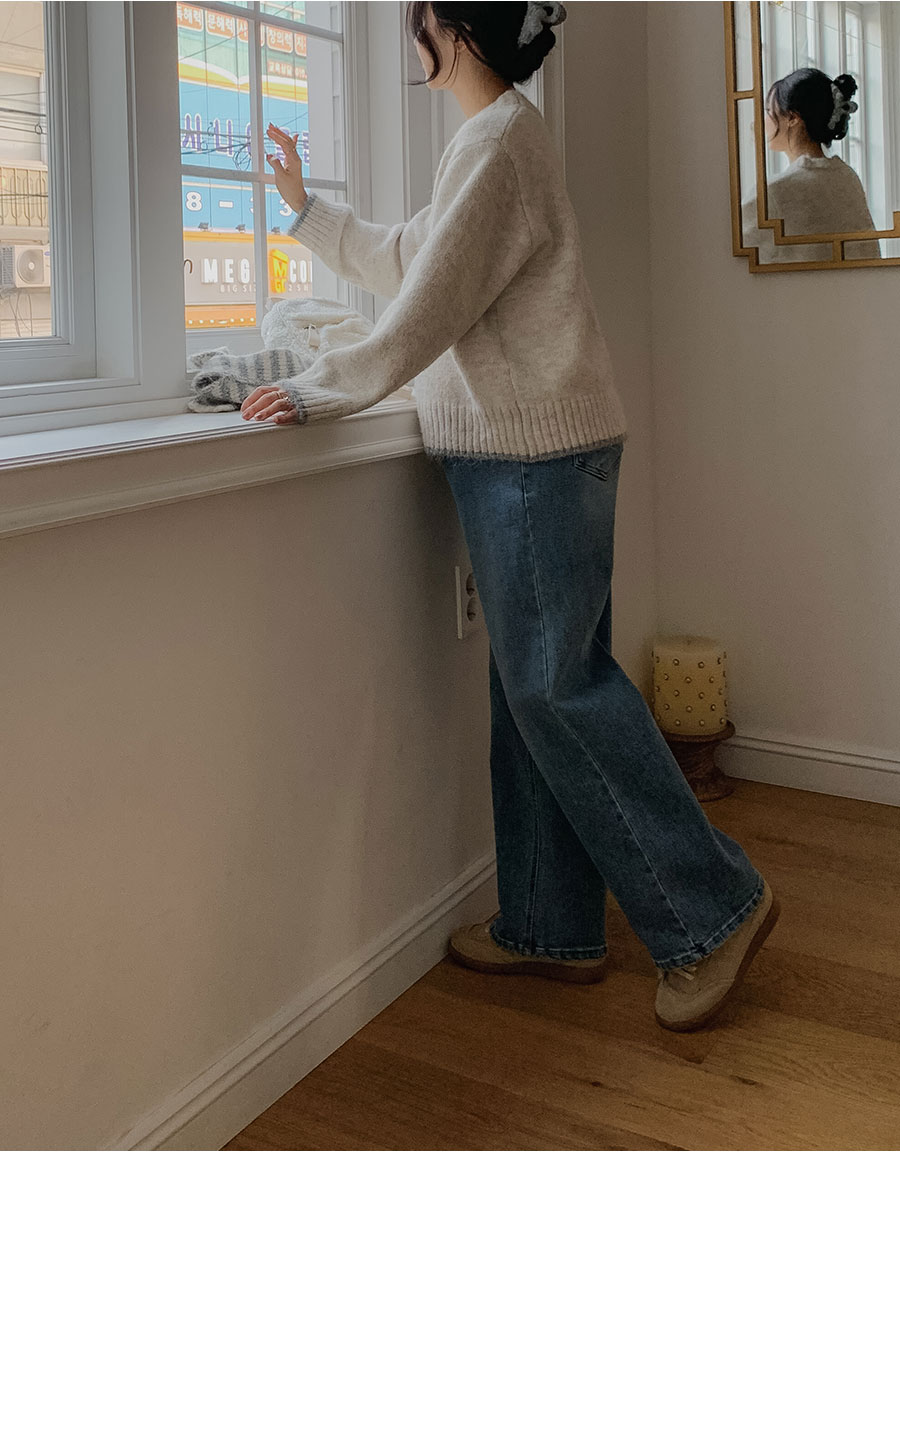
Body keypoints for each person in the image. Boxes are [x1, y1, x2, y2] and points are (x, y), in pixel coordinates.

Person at [244, 2, 780, 1033]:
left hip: (534, 460)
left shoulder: (499, 146)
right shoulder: (491, 142)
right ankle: (548, 923)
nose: (410, 33)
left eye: (418, 17)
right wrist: (308, 210)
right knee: (533, 692)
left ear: (453, 31)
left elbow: (425, 307)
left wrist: (320, 387)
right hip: (533, 456)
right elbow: (416, 258)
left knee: (555, 690)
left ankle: (715, 909)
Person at [742, 68, 881, 265]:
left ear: (793, 118)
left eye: (769, 112)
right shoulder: (847, 178)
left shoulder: (774, 192)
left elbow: (733, 258)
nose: (763, 121)